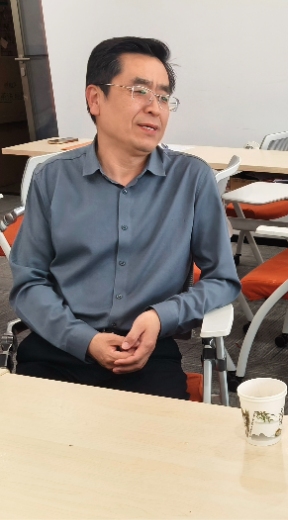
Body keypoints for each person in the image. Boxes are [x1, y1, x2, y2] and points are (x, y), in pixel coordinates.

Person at [9, 37, 241, 399]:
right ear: (95, 99)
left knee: (159, 435)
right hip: (59, 347)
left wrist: (160, 316)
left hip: (146, 352)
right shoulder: (53, 178)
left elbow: (223, 280)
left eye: (163, 97)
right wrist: (84, 340)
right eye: (139, 91)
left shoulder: (191, 179)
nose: (155, 108)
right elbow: (29, 282)